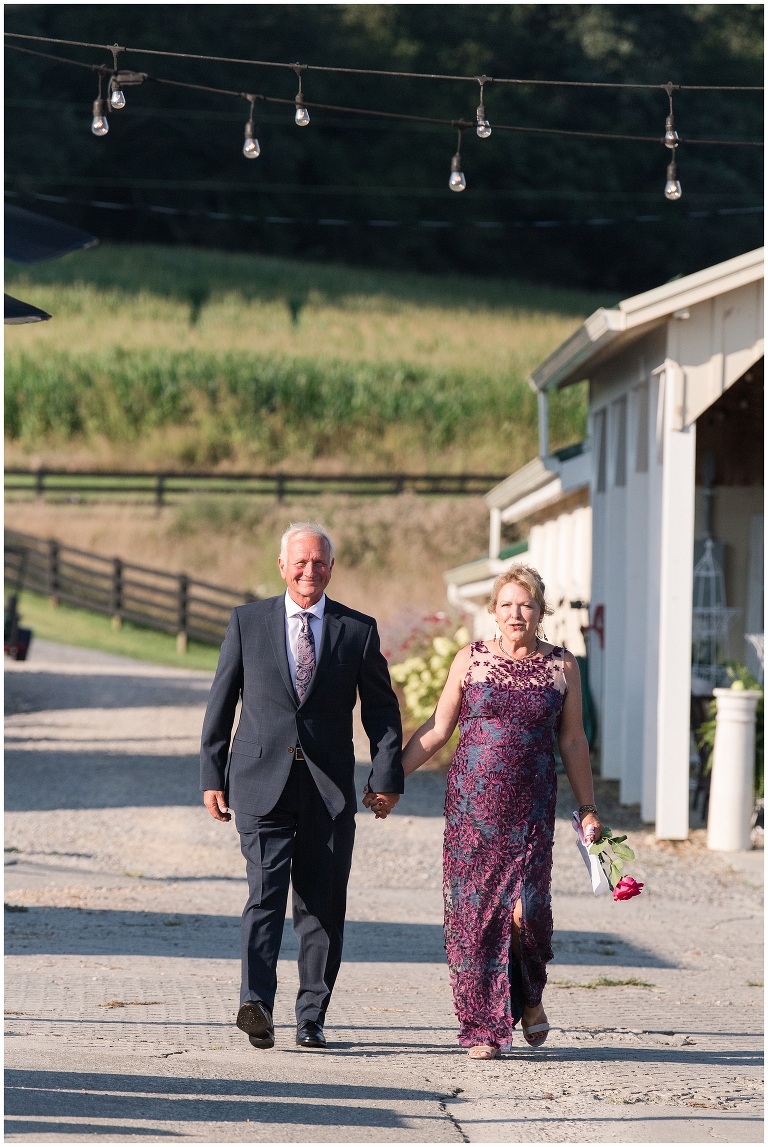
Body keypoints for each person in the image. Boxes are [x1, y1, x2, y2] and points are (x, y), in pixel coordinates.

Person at [368, 565, 600, 1059]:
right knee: (476, 918)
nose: (517, 613)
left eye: (527, 604)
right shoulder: (470, 661)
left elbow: (574, 740)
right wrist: (390, 782)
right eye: (508, 604)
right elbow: (437, 729)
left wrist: (587, 809)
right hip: (473, 812)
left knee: (528, 914)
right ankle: (481, 1028)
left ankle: (529, 997)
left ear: (540, 612)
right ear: (494, 611)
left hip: (532, 811)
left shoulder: (562, 666)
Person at [200, 522, 403, 1052]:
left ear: (331, 568)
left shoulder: (356, 630)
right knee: (263, 896)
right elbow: (222, 700)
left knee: (321, 906)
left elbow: (382, 710)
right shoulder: (248, 621)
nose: (309, 571)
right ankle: (256, 1004)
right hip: (259, 780)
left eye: (319, 562)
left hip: (327, 789)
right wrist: (211, 774)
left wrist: (386, 775)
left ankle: (311, 1015)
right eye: (300, 561)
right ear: (282, 565)